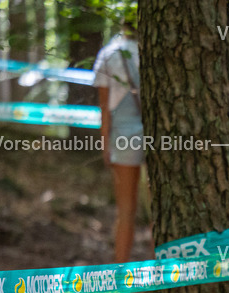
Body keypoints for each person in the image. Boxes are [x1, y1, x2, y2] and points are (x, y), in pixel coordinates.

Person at [93, 19, 143, 263]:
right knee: (163, 210)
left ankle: (120, 273)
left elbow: (105, 107)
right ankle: (164, 276)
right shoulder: (156, 50)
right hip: (158, 136)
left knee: (125, 211)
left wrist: (106, 145)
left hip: (122, 137)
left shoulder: (108, 55)